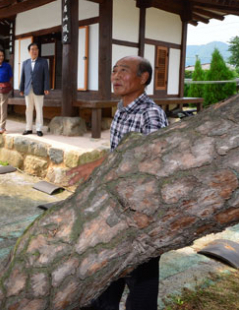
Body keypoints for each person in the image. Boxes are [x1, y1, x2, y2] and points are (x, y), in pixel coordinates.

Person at [69, 55, 169, 310]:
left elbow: (151, 164)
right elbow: (118, 153)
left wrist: (100, 165)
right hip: (116, 206)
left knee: (142, 283)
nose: (115, 76)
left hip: (141, 213)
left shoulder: (151, 115)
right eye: (114, 71)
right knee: (107, 271)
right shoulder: (121, 110)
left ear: (143, 78)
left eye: (123, 71)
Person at [19, 42, 51, 136]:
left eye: (36, 49)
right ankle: (28, 128)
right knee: (28, 108)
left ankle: (39, 129)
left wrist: (46, 87)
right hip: (28, 89)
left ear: (38, 51)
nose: (34, 51)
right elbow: (23, 77)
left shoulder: (43, 62)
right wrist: (21, 88)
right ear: (29, 51)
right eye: (32, 49)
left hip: (39, 89)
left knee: (39, 109)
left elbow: (46, 76)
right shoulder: (25, 63)